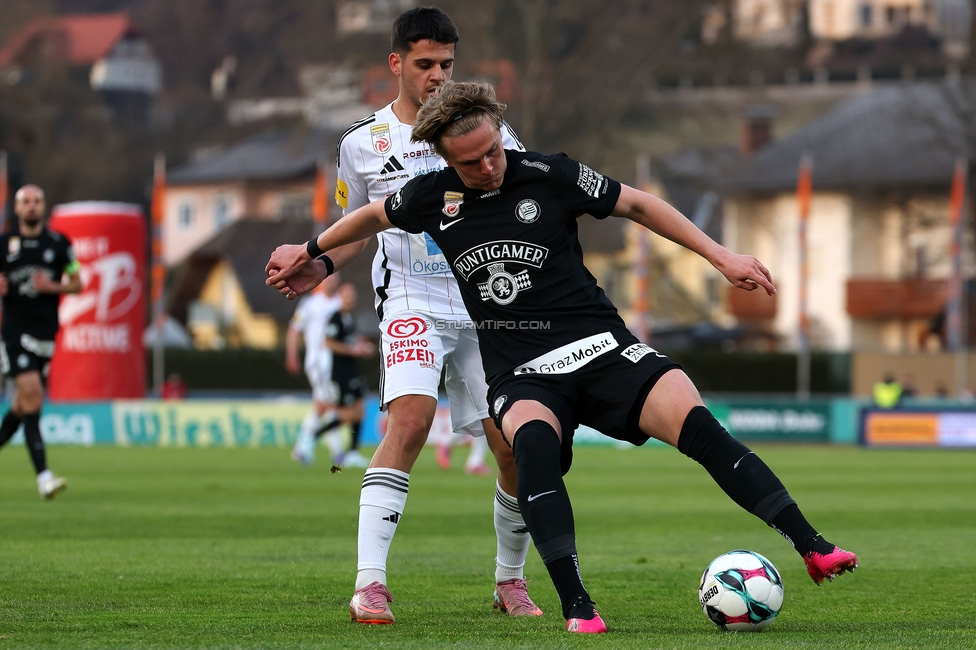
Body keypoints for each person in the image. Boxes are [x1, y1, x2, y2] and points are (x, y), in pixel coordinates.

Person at [266, 81, 859, 634]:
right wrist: (313, 250)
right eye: (471, 162)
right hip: (522, 372)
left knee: (697, 422)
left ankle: (813, 546)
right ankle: (580, 609)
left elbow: (641, 206)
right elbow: (371, 215)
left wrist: (719, 255)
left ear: (501, 134)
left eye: (493, 151)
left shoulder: (550, 173)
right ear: (447, 160)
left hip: (602, 347)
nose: (488, 166)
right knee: (532, 450)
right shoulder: (430, 197)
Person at [306, 8, 538, 624]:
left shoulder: (492, 137)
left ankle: (509, 581)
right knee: (409, 422)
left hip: (483, 305)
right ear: (396, 64)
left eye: (447, 65)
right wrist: (321, 263)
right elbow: (354, 228)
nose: (438, 76)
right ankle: (369, 584)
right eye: (425, 64)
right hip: (410, 298)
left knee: (514, 446)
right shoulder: (362, 143)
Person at [0, 184, 82, 500]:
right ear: (17, 209)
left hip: (46, 335)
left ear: (44, 206)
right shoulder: (4, 244)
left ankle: (44, 475)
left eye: (37, 201)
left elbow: (78, 283)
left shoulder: (59, 245)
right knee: (33, 398)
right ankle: (44, 477)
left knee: (22, 406)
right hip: (14, 334)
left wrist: (52, 287)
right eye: (25, 202)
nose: (32, 206)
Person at [287, 274, 343, 465]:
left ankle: (305, 448)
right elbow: (294, 329)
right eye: (328, 278)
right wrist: (292, 355)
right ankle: (332, 452)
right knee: (325, 405)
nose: (331, 281)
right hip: (318, 362)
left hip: (334, 363)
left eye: (335, 277)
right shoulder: (309, 303)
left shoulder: (338, 301)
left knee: (325, 406)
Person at [317, 283, 374, 468]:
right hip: (341, 372)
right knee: (347, 415)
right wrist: (352, 350)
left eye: (352, 295)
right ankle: (313, 435)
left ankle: (353, 453)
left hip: (353, 370)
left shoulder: (349, 317)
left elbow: (352, 341)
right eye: (347, 295)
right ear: (339, 297)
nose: (350, 298)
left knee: (360, 411)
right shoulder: (335, 317)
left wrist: (363, 347)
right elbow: (328, 342)